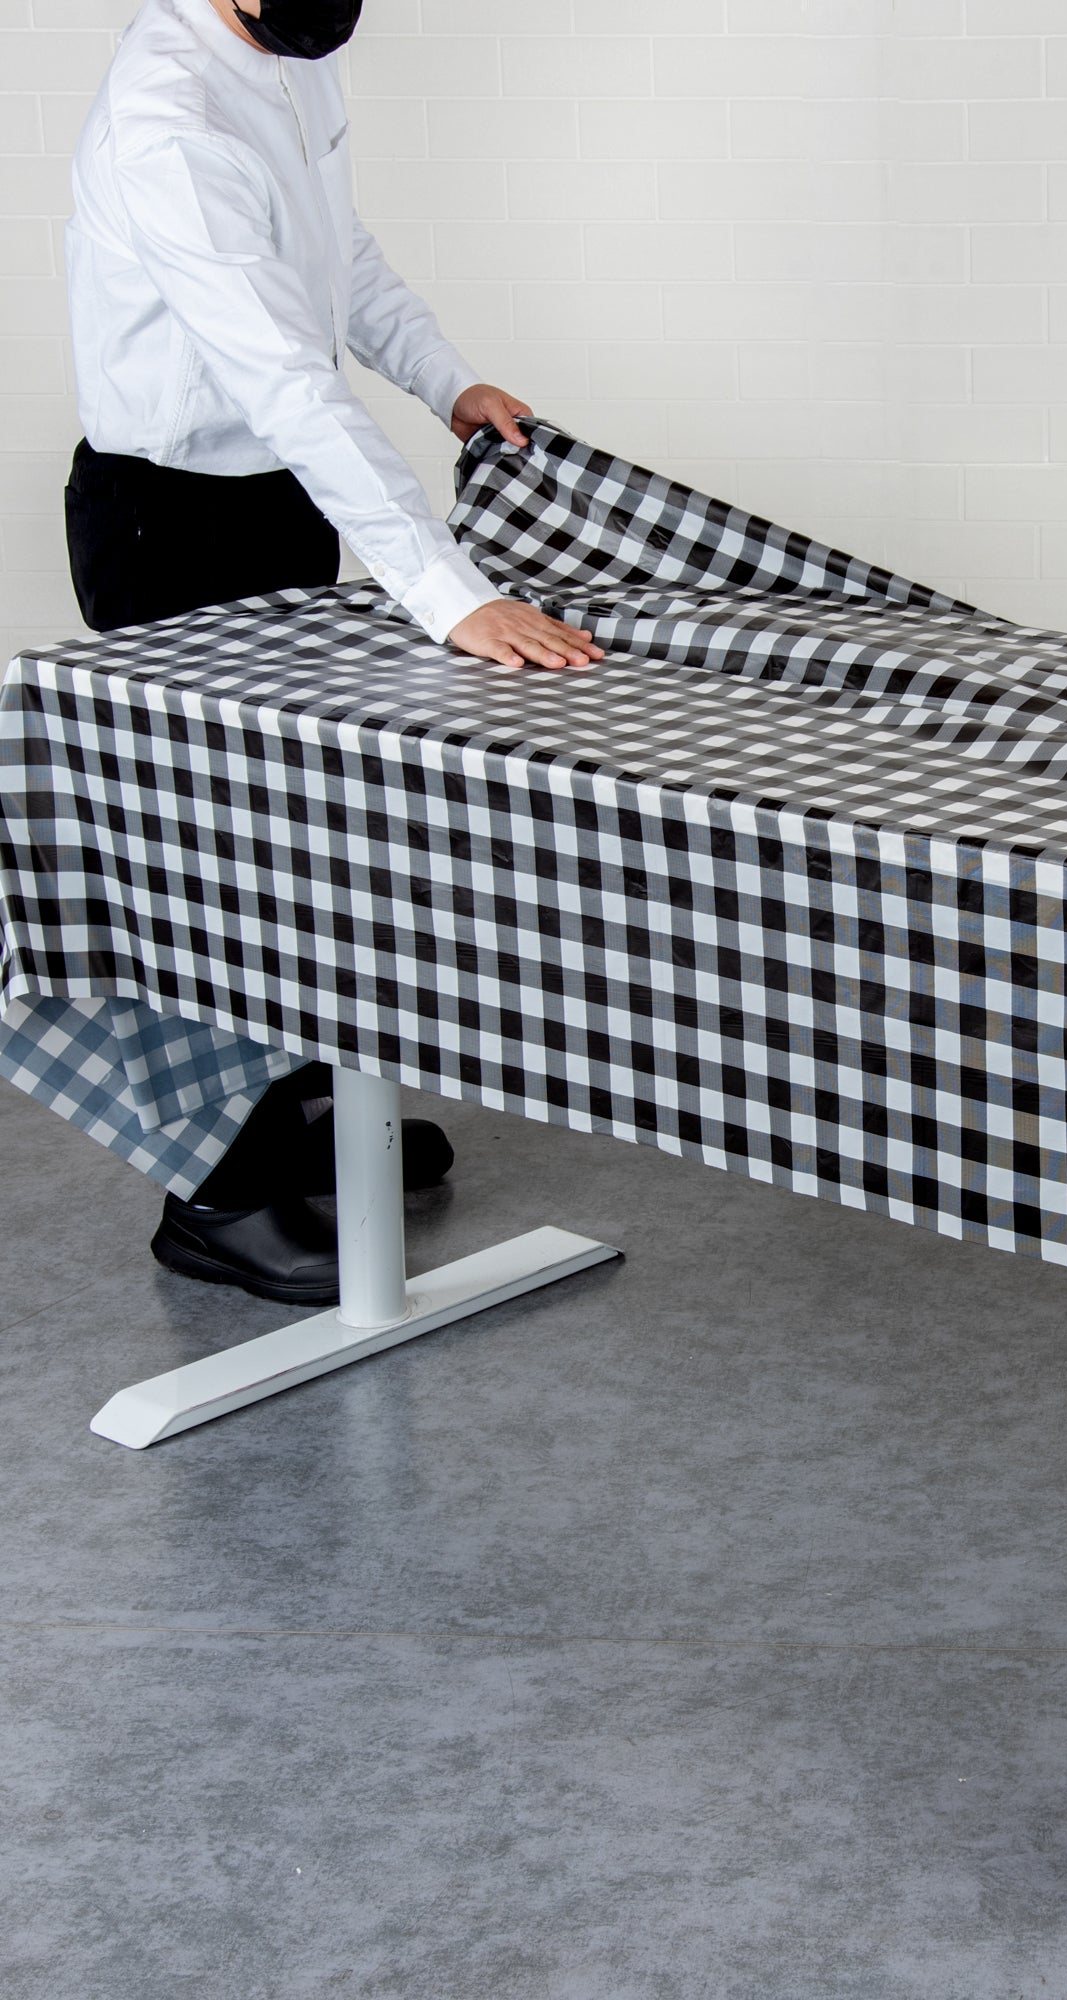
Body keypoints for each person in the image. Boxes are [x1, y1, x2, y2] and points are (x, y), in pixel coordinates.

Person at [9, 0, 607, 1305]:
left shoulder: (286, 62)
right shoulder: (169, 121)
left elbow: (339, 258)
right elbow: (285, 372)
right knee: (200, 861)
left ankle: (296, 1108)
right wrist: (446, 595)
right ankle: (214, 1196)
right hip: (168, 519)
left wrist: (447, 379)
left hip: (274, 500)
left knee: (289, 838)